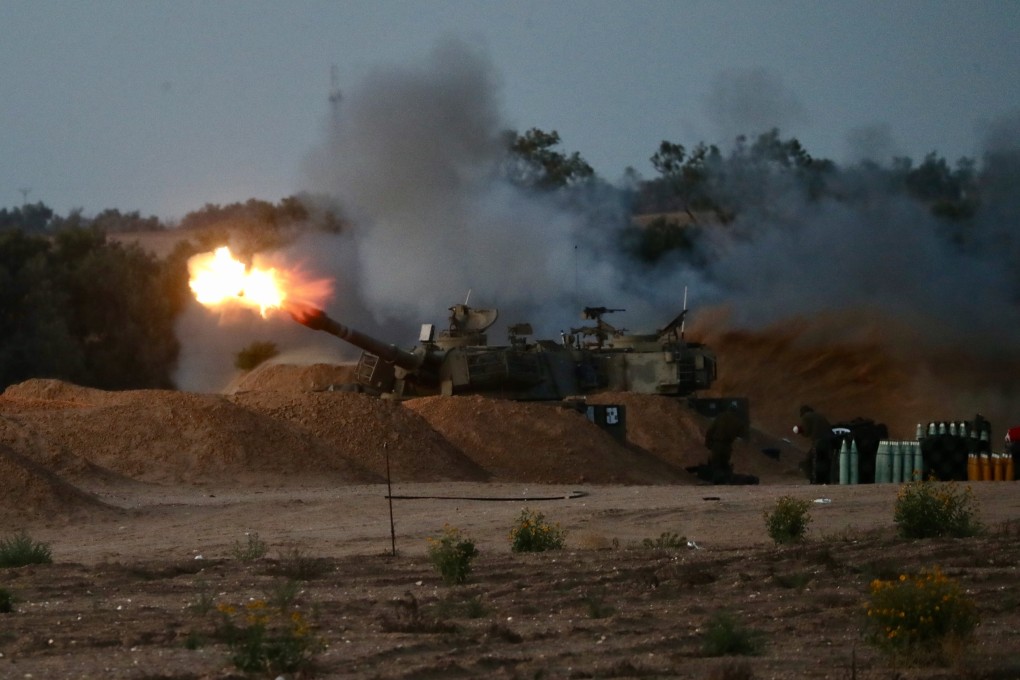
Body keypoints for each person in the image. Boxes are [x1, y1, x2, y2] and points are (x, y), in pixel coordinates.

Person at [694, 402, 750, 484]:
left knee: (715, 465)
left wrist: (708, 444)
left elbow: (710, 431)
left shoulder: (720, 417)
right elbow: (743, 435)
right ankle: (725, 480)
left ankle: (715, 480)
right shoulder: (738, 422)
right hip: (727, 447)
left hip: (717, 444)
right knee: (724, 465)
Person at [795, 405, 834, 484]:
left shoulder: (806, 417)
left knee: (809, 460)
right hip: (830, 440)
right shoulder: (819, 415)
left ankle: (814, 480)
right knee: (826, 460)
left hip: (819, 441)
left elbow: (807, 432)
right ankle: (827, 480)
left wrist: (800, 430)